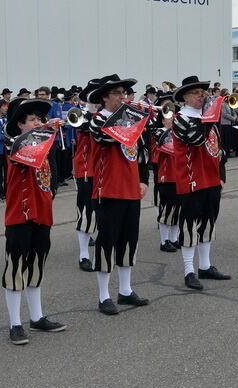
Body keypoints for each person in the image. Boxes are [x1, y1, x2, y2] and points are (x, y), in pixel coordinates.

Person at [0, 98, 67, 345]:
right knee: (16, 268)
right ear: (20, 125)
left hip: (42, 212)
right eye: (32, 120)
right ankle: (15, 323)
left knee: (37, 264)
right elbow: (22, 155)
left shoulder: (44, 143)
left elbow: (53, 173)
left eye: (39, 119)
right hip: (21, 214)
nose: (37, 122)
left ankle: (37, 317)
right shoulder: (12, 143)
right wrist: (45, 132)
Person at [87, 74, 151, 314]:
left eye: (124, 93)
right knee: (107, 242)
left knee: (129, 240)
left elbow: (142, 151)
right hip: (108, 189)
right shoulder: (97, 120)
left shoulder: (130, 121)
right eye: (117, 93)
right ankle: (103, 295)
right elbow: (107, 137)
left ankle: (125, 290)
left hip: (130, 189)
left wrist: (143, 180)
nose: (122, 97)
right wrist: (131, 117)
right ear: (104, 97)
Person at [171, 76, 230, 291]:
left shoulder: (208, 118)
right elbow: (196, 139)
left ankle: (205, 265)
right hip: (191, 178)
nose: (201, 96)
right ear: (185, 97)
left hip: (211, 178)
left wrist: (221, 175)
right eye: (196, 93)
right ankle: (189, 270)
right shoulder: (181, 118)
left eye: (202, 92)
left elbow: (218, 150)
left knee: (209, 221)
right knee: (189, 224)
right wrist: (210, 118)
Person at [72, 81, 100, 271]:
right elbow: (84, 128)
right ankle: (83, 255)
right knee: (86, 211)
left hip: (104, 169)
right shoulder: (82, 115)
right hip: (86, 168)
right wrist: (91, 109)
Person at [151, 91, 181, 253]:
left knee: (178, 209)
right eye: (170, 117)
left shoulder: (177, 132)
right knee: (166, 210)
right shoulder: (158, 132)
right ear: (163, 120)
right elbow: (161, 150)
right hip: (166, 175)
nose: (173, 118)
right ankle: (164, 241)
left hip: (178, 175)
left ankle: (174, 238)